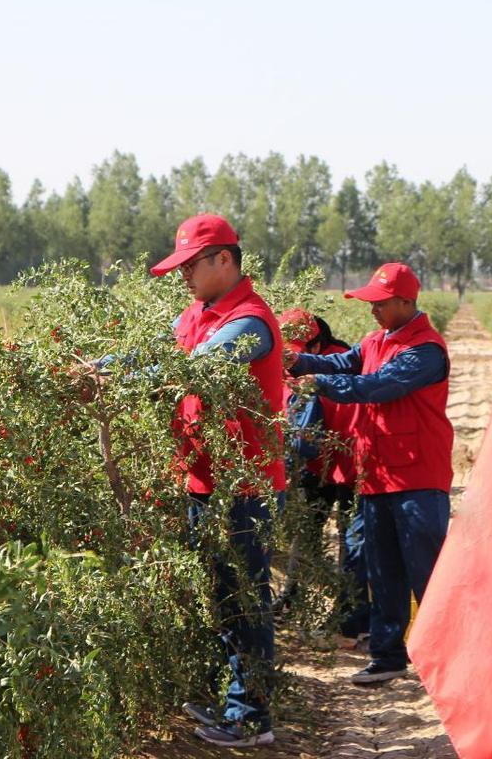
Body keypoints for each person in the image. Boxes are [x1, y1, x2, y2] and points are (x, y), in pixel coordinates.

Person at [146, 213, 284, 748]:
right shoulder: (199, 314)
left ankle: (252, 718)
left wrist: (131, 378)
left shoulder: (247, 323)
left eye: (190, 265)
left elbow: (189, 367)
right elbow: (154, 354)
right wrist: (93, 368)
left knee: (247, 600)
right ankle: (235, 701)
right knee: (226, 599)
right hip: (205, 481)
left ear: (224, 260)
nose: (183, 275)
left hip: (242, 488)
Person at [286, 262, 453, 685]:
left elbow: (377, 385)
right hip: (377, 473)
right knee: (384, 571)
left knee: (426, 573)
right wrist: (300, 361)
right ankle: (388, 655)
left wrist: (317, 384)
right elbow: (345, 363)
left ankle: (450, 661)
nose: (372, 310)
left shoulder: (425, 350)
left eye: (379, 303)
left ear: (405, 302)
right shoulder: (376, 340)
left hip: (417, 478)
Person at [275, 308, 369, 642]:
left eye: (298, 351)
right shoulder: (292, 367)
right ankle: (293, 597)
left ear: (316, 345)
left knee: (350, 543)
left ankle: (349, 617)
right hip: (314, 466)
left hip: (346, 467)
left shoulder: (341, 366)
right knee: (307, 534)